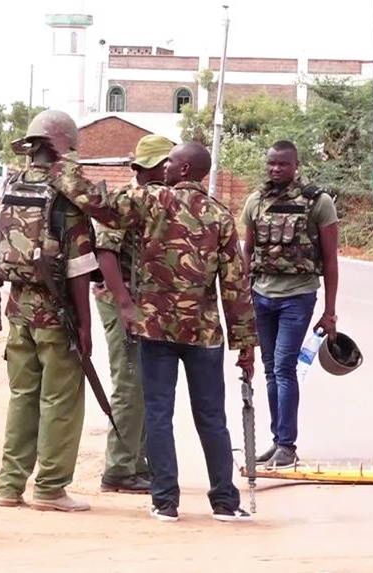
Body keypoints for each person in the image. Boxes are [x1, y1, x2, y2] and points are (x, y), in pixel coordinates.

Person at [56, 142, 258, 522]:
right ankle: (225, 502)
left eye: (172, 162)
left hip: (157, 330)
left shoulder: (152, 201)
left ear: (185, 170)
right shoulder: (220, 216)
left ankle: (165, 501)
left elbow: (99, 202)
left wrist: (63, 168)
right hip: (204, 334)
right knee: (212, 417)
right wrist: (245, 345)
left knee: (159, 413)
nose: (165, 166)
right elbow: (235, 285)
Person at [0, 110, 98, 512]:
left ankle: (9, 486)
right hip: (56, 312)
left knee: (22, 396)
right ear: (64, 143)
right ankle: (50, 488)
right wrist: (84, 324)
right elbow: (80, 265)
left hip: (18, 308)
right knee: (60, 401)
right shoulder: (66, 190)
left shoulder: (14, 183)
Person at [242, 140, 339, 469]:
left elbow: (330, 260)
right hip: (261, 295)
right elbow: (247, 251)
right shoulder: (255, 201)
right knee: (270, 371)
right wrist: (243, 295)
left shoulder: (318, 202)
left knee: (284, 369)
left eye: (283, 164)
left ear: (296, 165)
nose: (275, 169)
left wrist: (330, 311)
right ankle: (278, 441)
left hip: (297, 296)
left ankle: (287, 444)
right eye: (271, 163)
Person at [96, 134, 174, 495]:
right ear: (149, 168)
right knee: (129, 384)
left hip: (143, 302)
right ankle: (119, 469)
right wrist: (125, 304)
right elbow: (105, 253)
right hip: (121, 301)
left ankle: (137, 463)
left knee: (144, 384)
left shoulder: (156, 200)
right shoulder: (123, 203)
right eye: (166, 164)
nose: (171, 170)